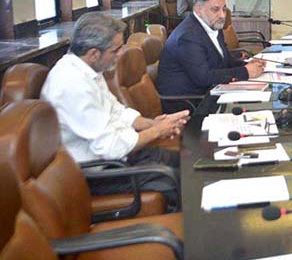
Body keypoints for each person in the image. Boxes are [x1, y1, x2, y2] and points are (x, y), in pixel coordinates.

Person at [41, 12, 189, 207]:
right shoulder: (71, 83)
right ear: (94, 54)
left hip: (121, 155)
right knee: (175, 181)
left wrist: (153, 123)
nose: (120, 54)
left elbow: (116, 110)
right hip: (97, 172)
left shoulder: (89, 69)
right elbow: (110, 146)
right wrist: (156, 132)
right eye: (116, 50)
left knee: (186, 162)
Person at [157, 0, 265, 110]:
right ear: (198, 10)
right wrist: (245, 71)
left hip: (209, 92)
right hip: (190, 103)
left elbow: (225, 61)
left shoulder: (212, 25)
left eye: (224, 9)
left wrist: (248, 64)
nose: (222, 15)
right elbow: (203, 77)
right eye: (215, 10)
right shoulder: (187, 36)